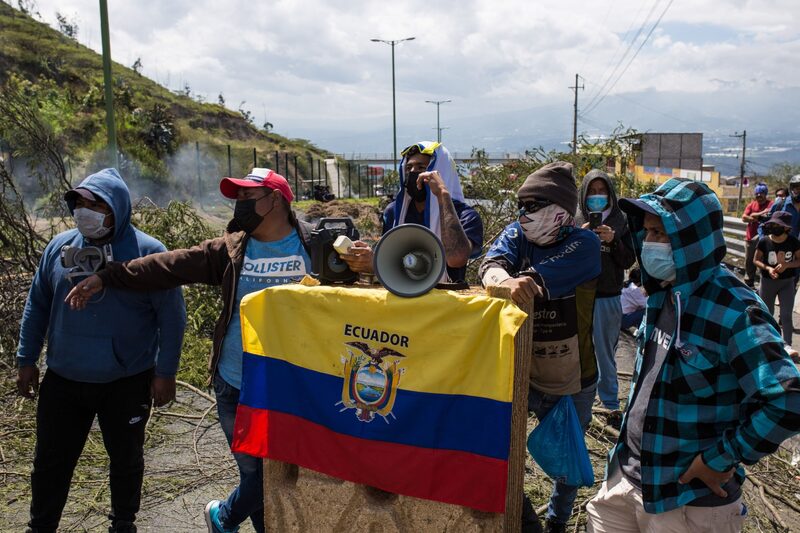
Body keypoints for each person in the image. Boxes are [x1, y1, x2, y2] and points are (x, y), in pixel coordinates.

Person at [66, 168, 312, 533]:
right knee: (258, 478)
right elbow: (168, 266)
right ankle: (232, 519)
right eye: (237, 197)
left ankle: (224, 517)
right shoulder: (230, 250)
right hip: (236, 383)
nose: (238, 205)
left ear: (275, 199)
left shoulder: (315, 245)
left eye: (247, 197)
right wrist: (108, 275)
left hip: (294, 387)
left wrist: (365, 262)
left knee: (284, 476)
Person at [586, 178, 800, 532]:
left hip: (688, 500)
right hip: (627, 480)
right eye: (648, 233)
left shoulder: (735, 309)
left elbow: (789, 399)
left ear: (692, 240)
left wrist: (720, 458)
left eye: (662, 234)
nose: (650, 243)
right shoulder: (663, 293)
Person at [17, 168, 186, 533]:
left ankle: (123, 521)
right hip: (63, 378)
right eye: (79, 202)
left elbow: (171, 319)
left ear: (118, 209)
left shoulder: (149, 253)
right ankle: (40, 525)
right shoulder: (59, 247)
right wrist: (26, 358)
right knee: (50, 461)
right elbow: (37, 305)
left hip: (125, 381)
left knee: (126, 459)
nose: (84, 211)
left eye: (95, 204)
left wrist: (165, 372)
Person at [479, 161, 601, 533]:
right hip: (522, 371)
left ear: (560, 210)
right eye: (522, 205)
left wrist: (519, 280)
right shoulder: (518, 235)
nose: (524, 214)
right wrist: (501, 278)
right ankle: (525, 517)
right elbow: (491, 264)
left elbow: (534, 282)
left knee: (568, 461)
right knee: (498, 446)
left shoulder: (584, 244)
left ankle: (556, 521)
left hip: (573, 376)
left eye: (534, 205)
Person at [340, 141, 483, 282]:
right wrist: (371, 259)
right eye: (409, 168)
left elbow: (456, 259)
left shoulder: (465, 216)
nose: (414, 172)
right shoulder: (394, 212)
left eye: (421, 167)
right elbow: (391, 259)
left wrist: (442, 195)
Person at [575, 170, 635, 425]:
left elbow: (628, 260)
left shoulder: (622, 221)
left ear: (610, 193)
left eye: (602, 191)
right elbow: (569, 257)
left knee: (605, 351)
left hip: (608, 295)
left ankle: (610, 405)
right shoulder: (577, 220)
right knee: (580, 350)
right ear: (584, 194)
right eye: (592, 191)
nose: (597, 197)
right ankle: (581, 401)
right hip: (580, 294)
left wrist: (612, 241)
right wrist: (581, 237)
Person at [754, 211, 800, 352]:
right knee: (767, 313)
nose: (774, 227)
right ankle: (767, 341)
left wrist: (787, 265)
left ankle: (787, 345)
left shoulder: (793, 242)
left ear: (786, 227)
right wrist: (768, 268)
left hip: (787, 282)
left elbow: (799, 260)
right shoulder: (764, 241)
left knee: (786, 315)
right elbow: (755, 260)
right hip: (768, 283)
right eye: (772, 224)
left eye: (778, 225)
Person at [741, 182, 772, 288]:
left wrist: (753, 216)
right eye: (757, 194)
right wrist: (758, 216)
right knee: (749, 261)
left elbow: (769, 215)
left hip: (765, 238)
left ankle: (764, 285)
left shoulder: (770, 204)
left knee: (763, 261)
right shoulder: (752, 204)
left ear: (765, 194)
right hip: (750, 237)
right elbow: (744, 217)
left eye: (761, 193)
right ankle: (749, 283)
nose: (759, 196)